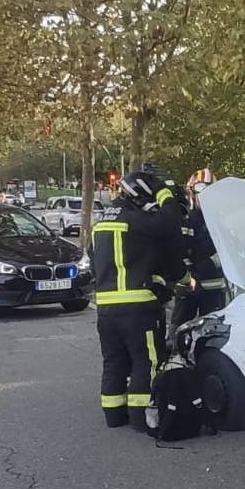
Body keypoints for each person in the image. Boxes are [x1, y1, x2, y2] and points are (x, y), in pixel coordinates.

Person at [92, 169, 186, 431]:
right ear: (139, 196)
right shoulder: (137, 221)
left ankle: (114, 416)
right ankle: (140, 418)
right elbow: (170, 224)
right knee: (146, 362)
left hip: (106, 310)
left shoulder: (99, 225)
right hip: (136, 309)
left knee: (114, 361)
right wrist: (165, 193)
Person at [170, 168, 228, 337]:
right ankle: (174, 360)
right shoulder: (184, 219)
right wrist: (188, 274)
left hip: (213, 288)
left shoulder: (222, 222)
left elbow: (228, 252)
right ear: (192, 195)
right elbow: (177, 250)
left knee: (212, 334)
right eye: (200, 193)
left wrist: (204, 266)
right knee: (178, 331)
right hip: (188, 286)